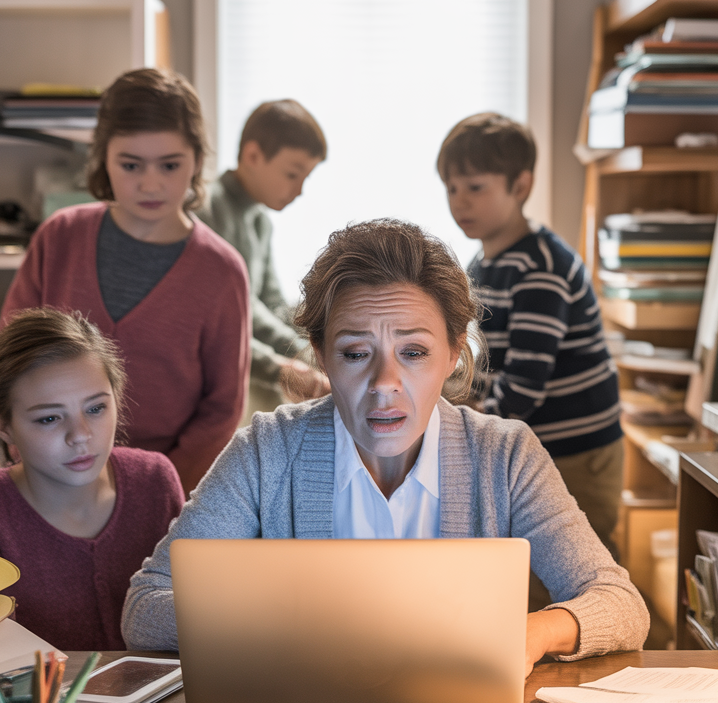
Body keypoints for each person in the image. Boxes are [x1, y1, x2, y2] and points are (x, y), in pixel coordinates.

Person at [122, 219, 648, 674]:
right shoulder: (265, 451)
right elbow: (144, 608)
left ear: (453, 355)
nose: (384, 383)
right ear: (323, 358)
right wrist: (279, 615)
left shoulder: (506, 456)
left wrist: (534, 634)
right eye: (356, 354)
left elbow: (621, 604)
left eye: (413, 352)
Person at [2, 68, 251, 494]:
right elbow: (11, 361)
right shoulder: (59, 237)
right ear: (103, 158)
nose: (151, 183)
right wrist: (37, 459)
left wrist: (158, 489)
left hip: (163, 489)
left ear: (196, 160)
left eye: (170, 165)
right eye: (131, 165)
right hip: (47, 476)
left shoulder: (221, 271)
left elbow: (221, 408)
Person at [0, 308, 185, 651]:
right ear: (2, 424)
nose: (80, 435)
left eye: (96, 408)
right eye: (50, 418)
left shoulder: (155, 479)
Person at [437, 112, 624, 560]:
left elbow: (524, 386)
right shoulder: (481, 265)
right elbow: (482, 363)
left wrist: (468, 430)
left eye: (475, 187)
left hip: (576, 452)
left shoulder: (540, 267)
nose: (460, 203)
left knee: (574, 566)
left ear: (520, 186)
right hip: (533, 444)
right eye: (451, 189)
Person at [200, 99, 331, 412]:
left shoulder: (260, 221)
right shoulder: (206, 209)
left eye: (305, 178)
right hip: (218, 373)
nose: (298, 190)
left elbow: (271, 303)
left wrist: (318, 343)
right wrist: (297, 357)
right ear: (252, 155)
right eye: (292, 174)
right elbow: (239, 309)